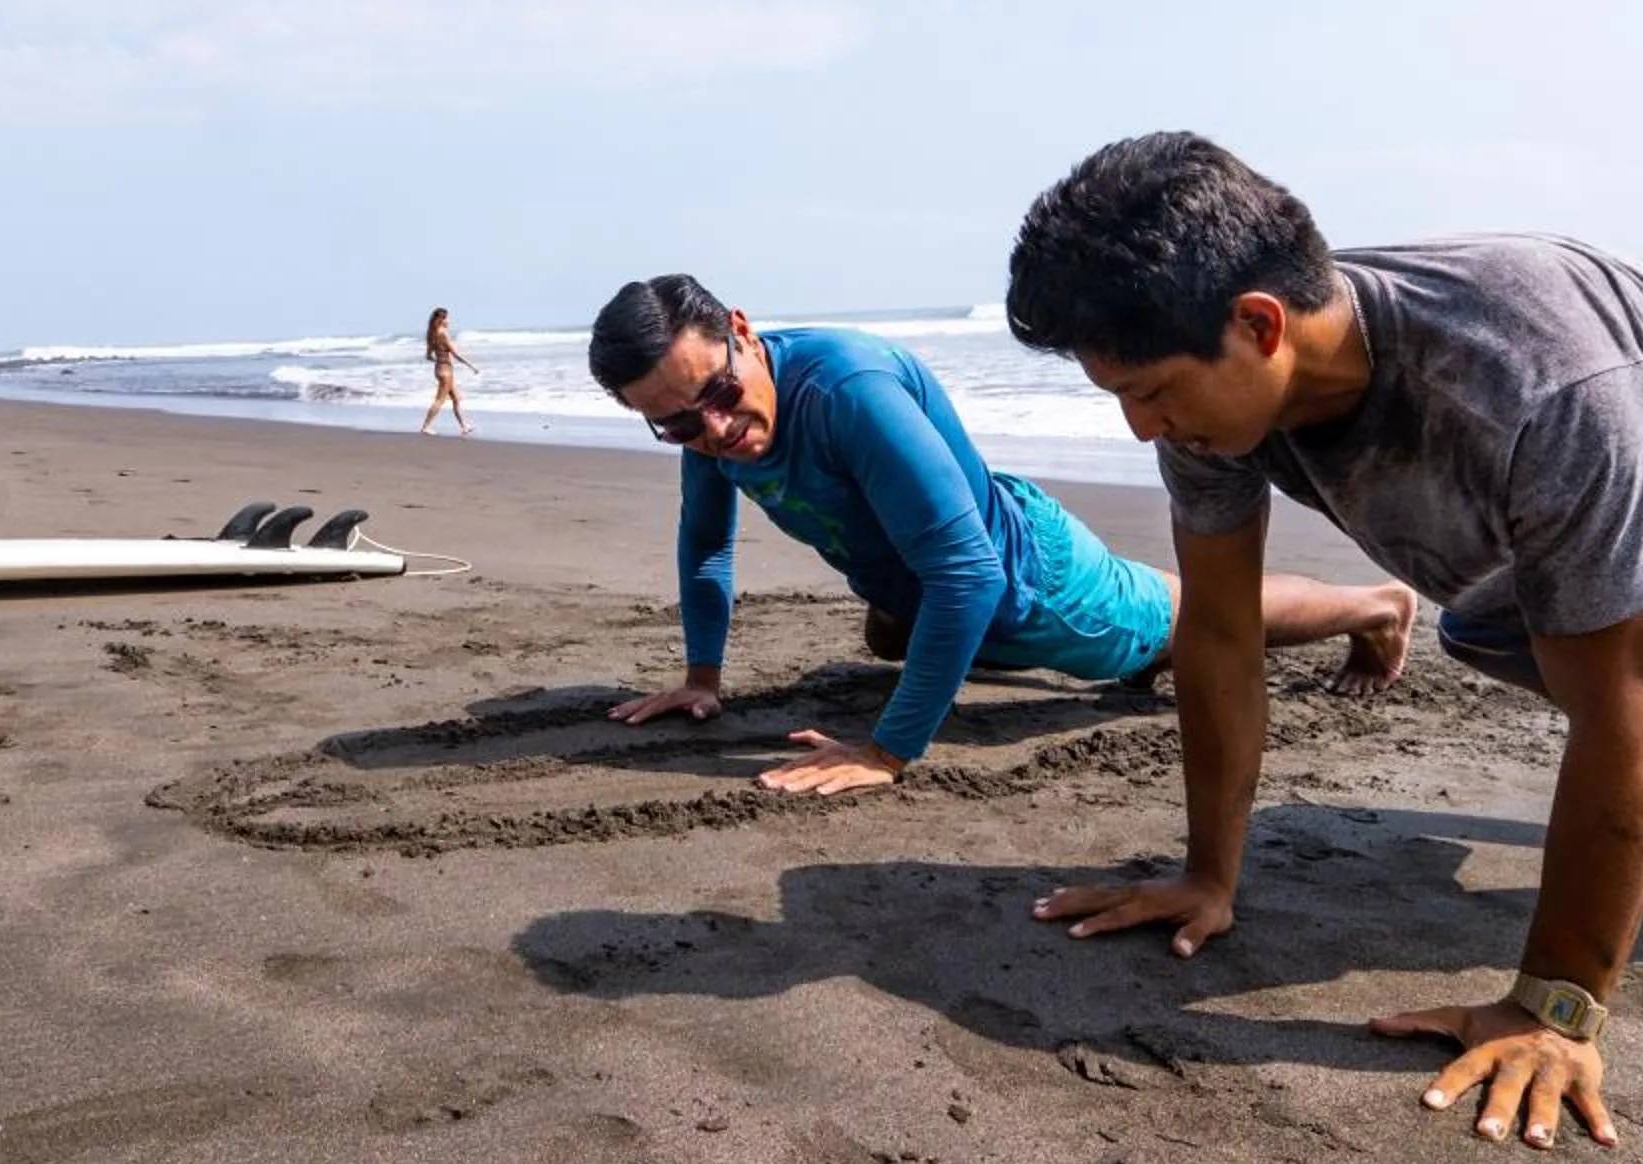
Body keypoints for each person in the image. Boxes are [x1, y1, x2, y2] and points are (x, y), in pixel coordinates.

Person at [1002, 133, 1643, 1151]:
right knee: (1495, 626)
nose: (1140, 430)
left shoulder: (1531, 382)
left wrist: (1557, 1007)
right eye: (1118, 397)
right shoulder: (1215, 405)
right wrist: (1209, 873)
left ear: (1260, 325)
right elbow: (1216, 631)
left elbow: (1626, 714)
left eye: (1152, 393)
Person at [589, 273, 1415, 795]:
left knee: (1193, 622)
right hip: (936, 570)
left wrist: (887, 750)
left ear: (739, 327)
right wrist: (702, 677)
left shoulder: (848, 390)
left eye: (722, 394)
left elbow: (972, 579)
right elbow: (705, 543)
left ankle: (1376, 606)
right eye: (680, 425)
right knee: (892, 635)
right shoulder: (706, 421)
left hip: (1039, 589)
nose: (718, 429)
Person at [420, 307, 478, 435]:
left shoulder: (431, 333)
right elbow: (455, 354)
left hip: (440, 369)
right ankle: (425, 427)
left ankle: (464, 426)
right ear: (441, 319)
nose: (449, 320)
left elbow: (429, 356)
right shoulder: (443, 333)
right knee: (439, 400)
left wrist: (439, 360)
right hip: (446, 370)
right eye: (447, 318)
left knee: (456, 398)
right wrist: (471, 366)